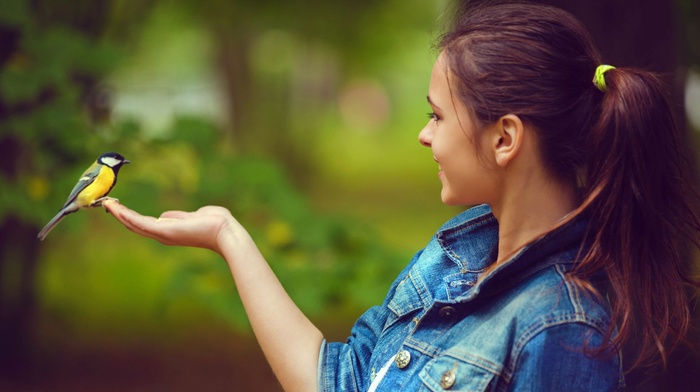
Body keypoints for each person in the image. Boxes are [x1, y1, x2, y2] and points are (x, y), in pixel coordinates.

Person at [104, 2, 700, 391]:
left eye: (437, 115)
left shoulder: (563, 330)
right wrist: (228, 236)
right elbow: (340, 380)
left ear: (505, 138)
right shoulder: (453, 259)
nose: (424, 134)